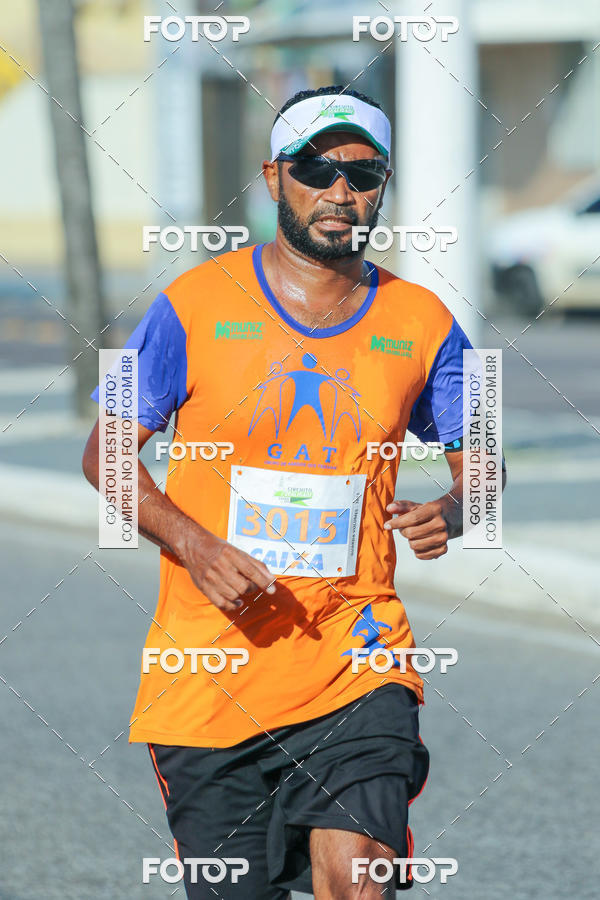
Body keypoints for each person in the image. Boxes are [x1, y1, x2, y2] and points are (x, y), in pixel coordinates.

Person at [83, 85, 504, 898]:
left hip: (359, 657)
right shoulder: (187, 304)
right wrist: (195, 545)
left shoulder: (427, 319)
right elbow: (105, 454)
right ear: (275, 176)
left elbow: (487, 462)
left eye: (363, 173)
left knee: (359, 879)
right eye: (316, 169)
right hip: (208, 676)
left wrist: (455, 509)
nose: (340, 191)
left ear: (382, 185)